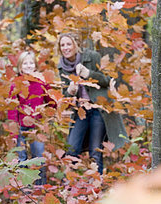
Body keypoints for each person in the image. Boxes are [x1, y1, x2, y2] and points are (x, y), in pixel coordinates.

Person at [57, 32, 127, 175]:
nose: (65, 48)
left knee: (95, 151)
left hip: (97, 109)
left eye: (68, 44)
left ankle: (97, 186)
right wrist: (70, 92)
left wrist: (89, 74)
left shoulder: (91, 57)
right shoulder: (62, 67)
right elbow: (64, 97)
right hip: (80, 111)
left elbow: (107, 80)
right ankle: (70, 186)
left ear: (76, 44)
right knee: (72, 149)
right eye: (62, 45)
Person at [8, 51, 55, 185]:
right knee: (21, 159)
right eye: (25, 63)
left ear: (35, 65)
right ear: (20, 66)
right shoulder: (16, 84)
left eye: (31, 63)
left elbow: (51, 101)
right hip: (21, 127)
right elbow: (12, 110)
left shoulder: (41, 82)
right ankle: (24, 190)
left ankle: (39, 188)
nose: (28, 66)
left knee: (39, 158)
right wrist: (13, 132)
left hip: (37, 126)